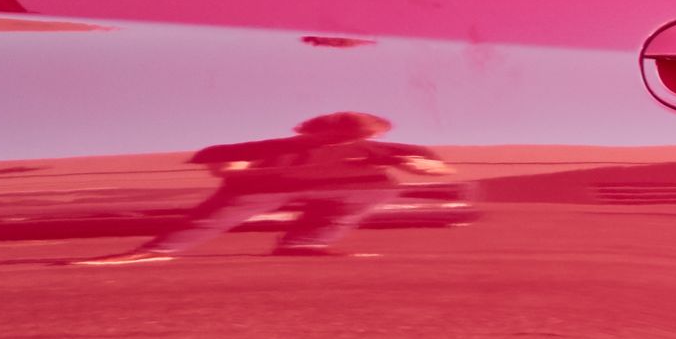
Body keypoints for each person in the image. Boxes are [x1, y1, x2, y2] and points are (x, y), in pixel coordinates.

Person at [78, 111, 448, 266]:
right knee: (217, 215)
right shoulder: (269, 147)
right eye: (333, 134)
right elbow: (220, 157)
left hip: (349, 189)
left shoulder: (381, 149)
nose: (342, 141)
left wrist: (424, 166)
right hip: (267, 186)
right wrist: (228, 169)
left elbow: (429, 163)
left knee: (366, 195)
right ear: (308, 131)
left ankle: (303, 244)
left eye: (358, 135)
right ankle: (156, 251)